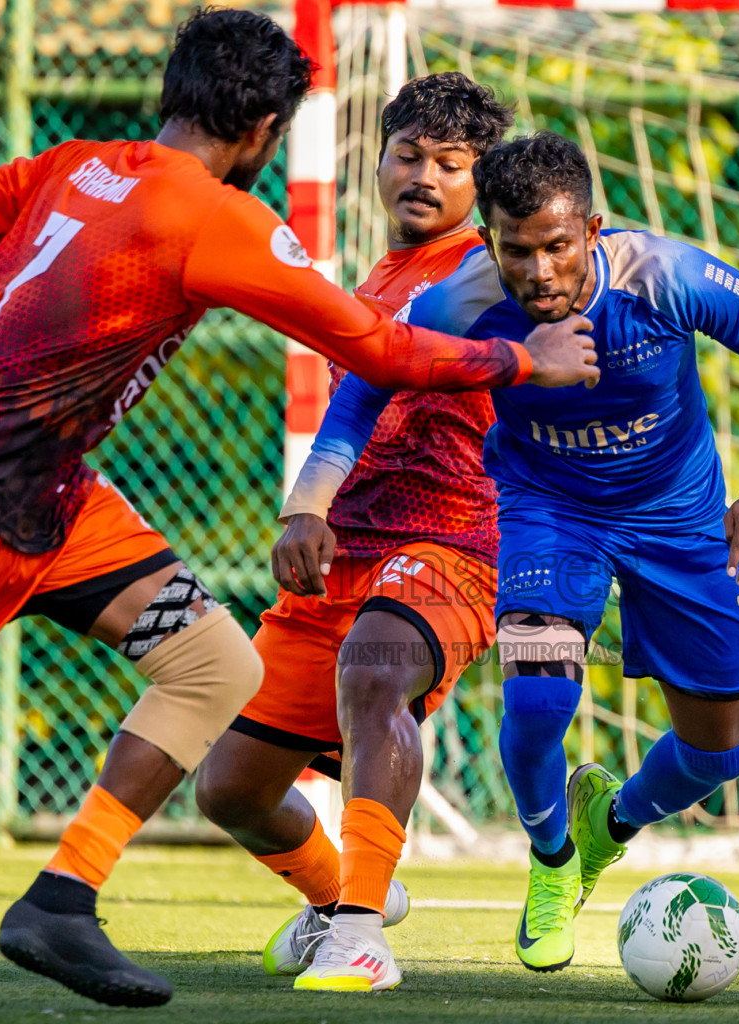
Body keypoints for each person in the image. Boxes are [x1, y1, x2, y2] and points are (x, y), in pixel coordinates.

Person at [0, 10, 596, 1009]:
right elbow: (382, 352)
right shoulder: (220, 220)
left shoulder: (73, 162)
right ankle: (316, 905)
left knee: (217, 662)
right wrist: (529, 359)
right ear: (265, 131)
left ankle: (63, 897)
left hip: (57, 501)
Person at [286, 131, 739, 971]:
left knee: (723, 751)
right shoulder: (457, 302)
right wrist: (309, 503)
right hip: (550, 514)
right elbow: (367, 383)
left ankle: (605, 825)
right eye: (517, 251)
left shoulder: (666, 275)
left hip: (680, 522)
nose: (540, 272)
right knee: (539, 700)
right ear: (488, 243)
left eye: (557, 247)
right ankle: (550, 861)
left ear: (593, 229)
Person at [191, 71, 515, 994]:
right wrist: (313, 507)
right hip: (351, 550)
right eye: (409, 155)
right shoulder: (377, 277)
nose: (426, 176)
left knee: (377, 674)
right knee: (231, 790)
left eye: (453, 165)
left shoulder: (496, 270)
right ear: (376, 160)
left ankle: (362, 936)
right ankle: (342, 898)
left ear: (482, 184)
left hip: (455, 544)